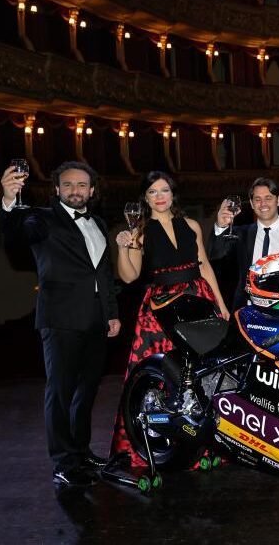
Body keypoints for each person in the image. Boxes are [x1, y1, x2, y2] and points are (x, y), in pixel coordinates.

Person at [0, 161, 121, 488]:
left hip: (96, 319)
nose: (74, 190)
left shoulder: (97, 221)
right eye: (67, 184)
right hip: (61, 318)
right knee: (60, 392)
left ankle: (80, 452)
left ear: (91, 190)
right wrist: (9, 202)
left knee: (86, 390)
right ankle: (63, 462)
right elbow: (16, 238)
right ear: (57, 189)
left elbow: (103, 272)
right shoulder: (42, 218)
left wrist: (111, 312)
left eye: (81, 185)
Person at [110, 171, 229, 463]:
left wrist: (221, 304)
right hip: (162, 306)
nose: (159, 196)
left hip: (198, 299)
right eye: (152, 192)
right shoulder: (139, 231)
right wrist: (123, 248)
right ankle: (162, 445)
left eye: (164, 190)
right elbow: (129, 276)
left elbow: (204, 266)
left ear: (173, 193)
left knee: (205, 373)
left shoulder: (191, 225)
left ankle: (209, 445)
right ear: (145, 197)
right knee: (164, 373)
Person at [209, 177, 279, 310]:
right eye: (257, 199)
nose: (263, 204)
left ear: (278, 200)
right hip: (248, 310)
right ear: (251, 203)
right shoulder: (240, 234)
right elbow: (216, 255)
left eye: (268, 198)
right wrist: (221, 226)